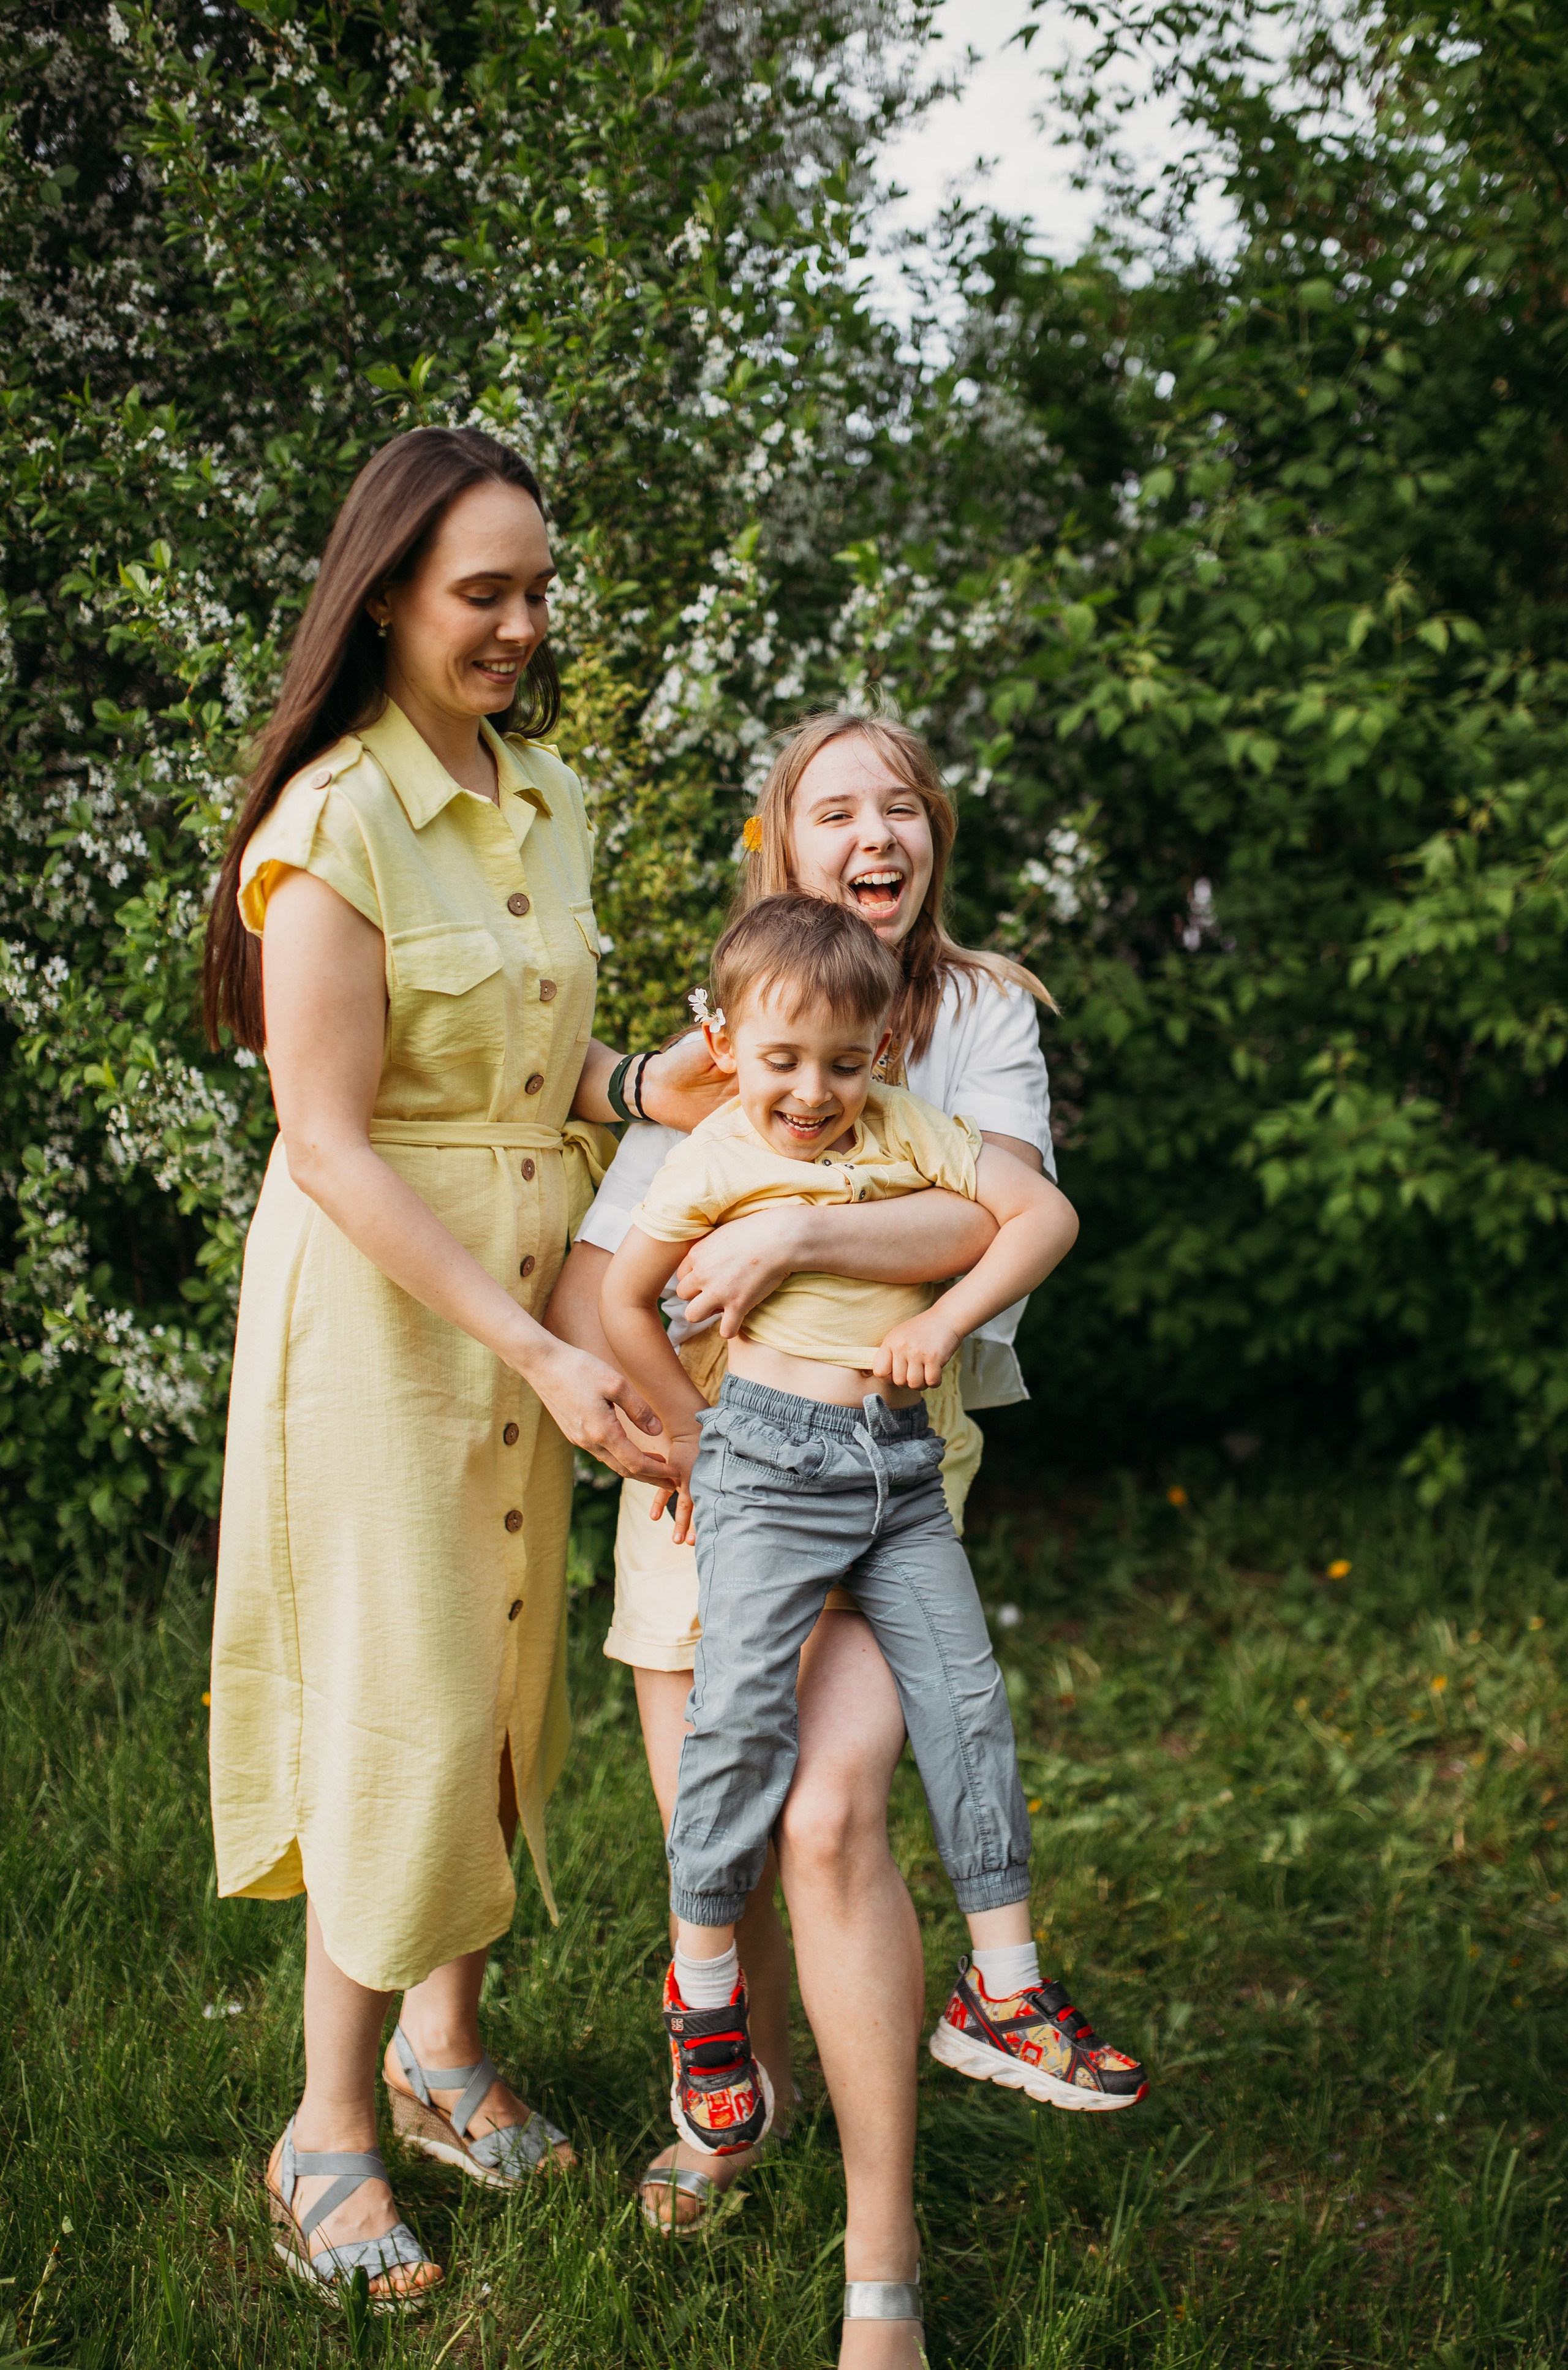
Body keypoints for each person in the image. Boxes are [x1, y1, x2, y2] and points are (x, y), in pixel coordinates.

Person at [545, 713, 1144, 2370]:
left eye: (904, 803)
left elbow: (995, 1213)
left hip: (887, 1470)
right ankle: (747, 2083)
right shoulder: (734, 1021)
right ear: (782, 847)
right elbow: (616, 1264)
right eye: (835, 806)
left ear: (933, 836)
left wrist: (791, 1227)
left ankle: (883, 2260)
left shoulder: (982, 1016)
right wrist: (665, 1421)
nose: (875, 829)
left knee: (831, 1813)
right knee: (719, 1812)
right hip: (713, 1466)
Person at [202, 427, 723, 2307]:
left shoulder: (550, 799)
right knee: (401, 1692)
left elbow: (538, 1071)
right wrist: (530, 1340)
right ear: (391, 599)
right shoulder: (328, 826)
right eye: (480, 592)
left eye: (536, 589)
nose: (520, 623)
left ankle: (444, 2050)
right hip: (382, 1316)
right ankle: (326, 2132)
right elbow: (335, 1139)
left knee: (504, 1670)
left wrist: (654, 1086)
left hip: (532, 1290)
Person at [601, 889, 1114, 2179]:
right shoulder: (717, 1150)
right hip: (768, 1470)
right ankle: (705, 1994)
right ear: (723, 1041)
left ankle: (1002, 1990)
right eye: (780, 1062)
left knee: (967, 1701)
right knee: (739, 1723)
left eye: (841, 1062)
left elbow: (1040, 1219)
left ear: (881, 1050)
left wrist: (944, 1323)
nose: (810, 1093)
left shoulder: (912, 1130)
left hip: (897, 1472)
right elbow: (621, 1297)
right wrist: (690, 1436)